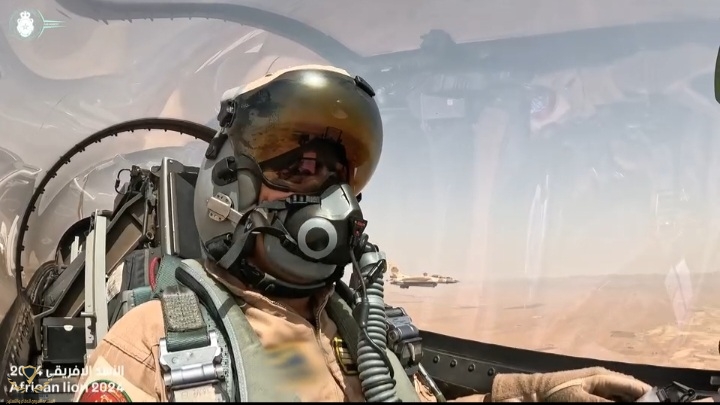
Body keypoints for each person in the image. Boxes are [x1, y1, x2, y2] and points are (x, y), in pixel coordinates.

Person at [72, 65, 651, 403]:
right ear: (227, 189)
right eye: (296, 169)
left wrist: (520, 395)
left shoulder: (362, 327)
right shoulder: (153, 343)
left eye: (334, 175)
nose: (326, 198)